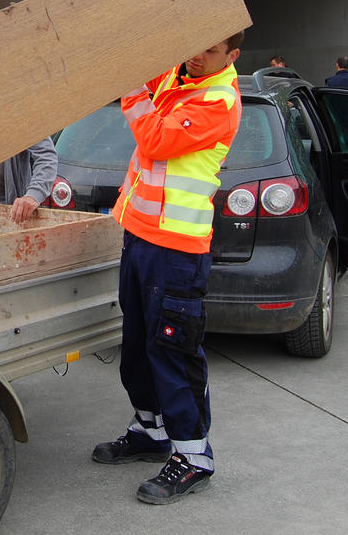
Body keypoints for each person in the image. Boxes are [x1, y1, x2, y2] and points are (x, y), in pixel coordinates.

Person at [92, 32, 243, 505]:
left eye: (213, 50)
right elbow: (136, 56)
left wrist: (131, 89)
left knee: (173, 351)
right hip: (139, 237)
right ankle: (150, 430)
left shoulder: (219, 100)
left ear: (232, 56)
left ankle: (194, 456)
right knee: (136, 346)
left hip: (177, 251)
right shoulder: (177, 78)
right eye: (195, 43)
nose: (199, 55)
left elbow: (155, 140)